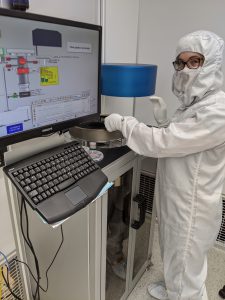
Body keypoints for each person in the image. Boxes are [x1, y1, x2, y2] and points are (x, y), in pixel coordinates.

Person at [104, 30, 225, 300]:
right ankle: (174, 291)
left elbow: (163, 144)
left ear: (213, 63)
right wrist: (164, 122)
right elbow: (181, 140)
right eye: (180, 63)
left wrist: (124, 123)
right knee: (174, 257)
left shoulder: (218, 111)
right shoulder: (196, 103)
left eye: (194, 61)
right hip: (177, 200)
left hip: (191, 209)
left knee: (186, 269)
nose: (185, 69)